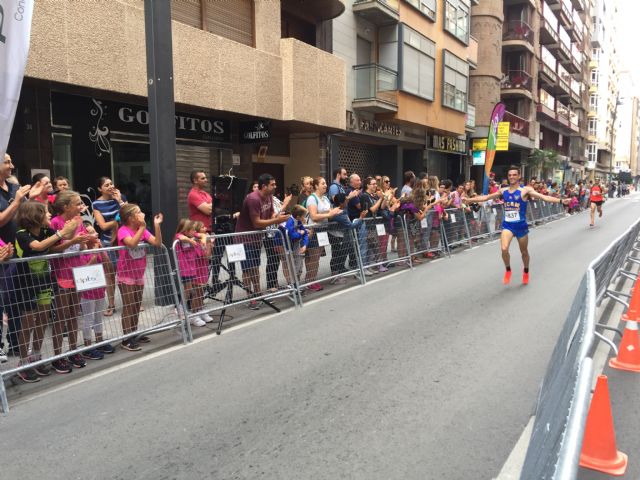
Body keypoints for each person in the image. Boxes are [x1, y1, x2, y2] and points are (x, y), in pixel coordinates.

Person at [463, 165, 568, 285]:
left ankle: (526, 270)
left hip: (521, 226)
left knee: (524, 252)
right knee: (504, 248)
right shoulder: (503, 191)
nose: (511, 177)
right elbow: (486, 197)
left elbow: (544, 197)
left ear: (519, 176)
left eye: (514, 175)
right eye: (509, 175)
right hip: (508, 225)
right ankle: (508, 270)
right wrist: (470, 200)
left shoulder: (525, 190)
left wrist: (560, 201)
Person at [50, 191, 95, 370]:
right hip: (62, 272)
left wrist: (85, 240)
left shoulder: (78, 220)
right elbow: (53, 248)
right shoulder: (55, 222)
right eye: (77, 204)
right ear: (66, 206)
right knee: (61, 315)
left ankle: (73, 350)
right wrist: (73, 240)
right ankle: (57, 355)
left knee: (74, 313)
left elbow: (81, 245)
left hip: (77, 271)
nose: (80, 207)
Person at [235, 173, 288, 310]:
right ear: (264, 186)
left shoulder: (269, 196)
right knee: (247, 269)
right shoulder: (253, 199)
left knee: (255, 267)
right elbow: (257, 223)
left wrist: (275, 216)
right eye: (273, 185)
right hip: (244, 238)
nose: (275, 186)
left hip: (257, 238)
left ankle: (258, 294)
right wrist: (277, 220)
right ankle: (250, 297)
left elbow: (270, 213)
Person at [117, 203, 163, 351]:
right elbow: (131, 244)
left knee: (136, 306)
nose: (142, 213)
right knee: (128, 307)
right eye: (139, 212)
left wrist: (156, 225)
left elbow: (157, 242)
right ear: (131, 217)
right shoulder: (123, 230)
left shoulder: (141, 229)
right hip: (126, 275)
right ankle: (126, 338)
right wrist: (142, 227)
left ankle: (134, 332)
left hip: (139, 273)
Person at [92, 177, 127, 316]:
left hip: (124, 241)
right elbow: (103, 226)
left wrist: (120, 201)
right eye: (106, 185)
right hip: (107, 242)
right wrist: (117, 222)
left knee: (125, 274)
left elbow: (131, 215)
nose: (111, 186)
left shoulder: (120, 197)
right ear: (100, 188)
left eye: (111, 183)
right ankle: (111, 304)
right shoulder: (96, 204)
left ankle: (130, 302)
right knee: (110, 274)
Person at [79, 225, 114, 360]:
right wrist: (94, 254)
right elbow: (84, 270)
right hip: (88, 290)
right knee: (89, 318)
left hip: (99, 287)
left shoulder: (98, 249)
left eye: (95, 231)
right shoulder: (82, 252)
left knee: (98, 316)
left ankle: (99, 341)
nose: (96, 234)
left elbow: (109, 265)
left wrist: (102, 251)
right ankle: (88, 346)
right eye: (92, 232)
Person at [305, 177, 343, 290]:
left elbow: (329, 211)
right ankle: (310, 281)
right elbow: (314, 216)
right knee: (313, 258)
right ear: (316, 186)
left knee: (317, 258)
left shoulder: (325, 198)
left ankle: (312, 280)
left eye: (325, 183)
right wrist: (329, 214)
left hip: (323, 230)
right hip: (314, 230)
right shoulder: (312, 198)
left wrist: (335, 211)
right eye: (323, 183)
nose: (325, 185)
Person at [174, 219, 212, 327]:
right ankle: (181, 308)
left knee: (193, 290)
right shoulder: (180, 237)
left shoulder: (192, 235)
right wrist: (191, 241)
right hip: (184, 268)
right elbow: (180, 237)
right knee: (189, 290)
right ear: (185, 230)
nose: (193, 232)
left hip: (192, 268)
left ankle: (196, 310)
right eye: (191, 230)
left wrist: (204, 239)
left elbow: (201, 235)